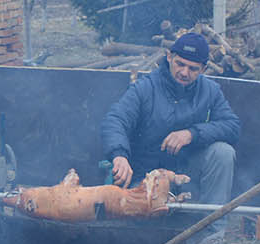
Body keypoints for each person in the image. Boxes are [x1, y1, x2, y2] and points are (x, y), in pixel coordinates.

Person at [100, 31, 240, 214]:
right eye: (180, 64)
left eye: (192, 68)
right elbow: (115, 120)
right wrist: (119, 155)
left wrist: (192, 134)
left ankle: (211, 232)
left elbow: (232, 126)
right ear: (169, 57)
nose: (184, 72)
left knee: (223, 152)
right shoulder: (145, 87)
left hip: (188, 173)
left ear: (203, 69)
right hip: (145, 174)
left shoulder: (210, 91)